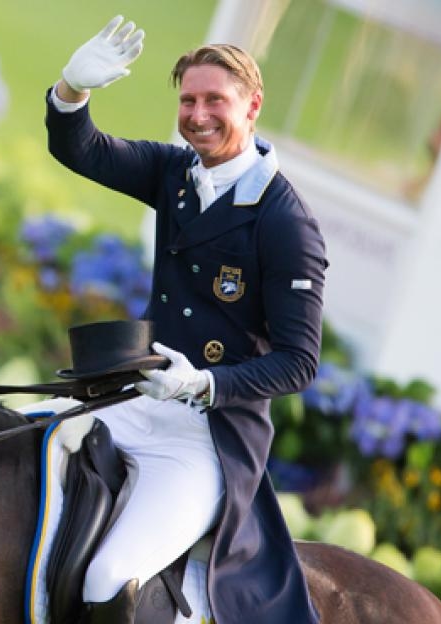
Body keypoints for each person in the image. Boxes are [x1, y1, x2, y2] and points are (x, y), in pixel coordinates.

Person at [44, 16, 327, 624]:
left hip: (207, 438)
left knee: (108, 577)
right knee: (15, 461)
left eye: (215, 101)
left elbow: (299, 360)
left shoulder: (286, 223)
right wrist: (72, 90)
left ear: (252, 106)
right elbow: (82, 148)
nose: (198, 114)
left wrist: (203, 384)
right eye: (188, 100)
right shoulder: (175, 174)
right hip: (135, 396)